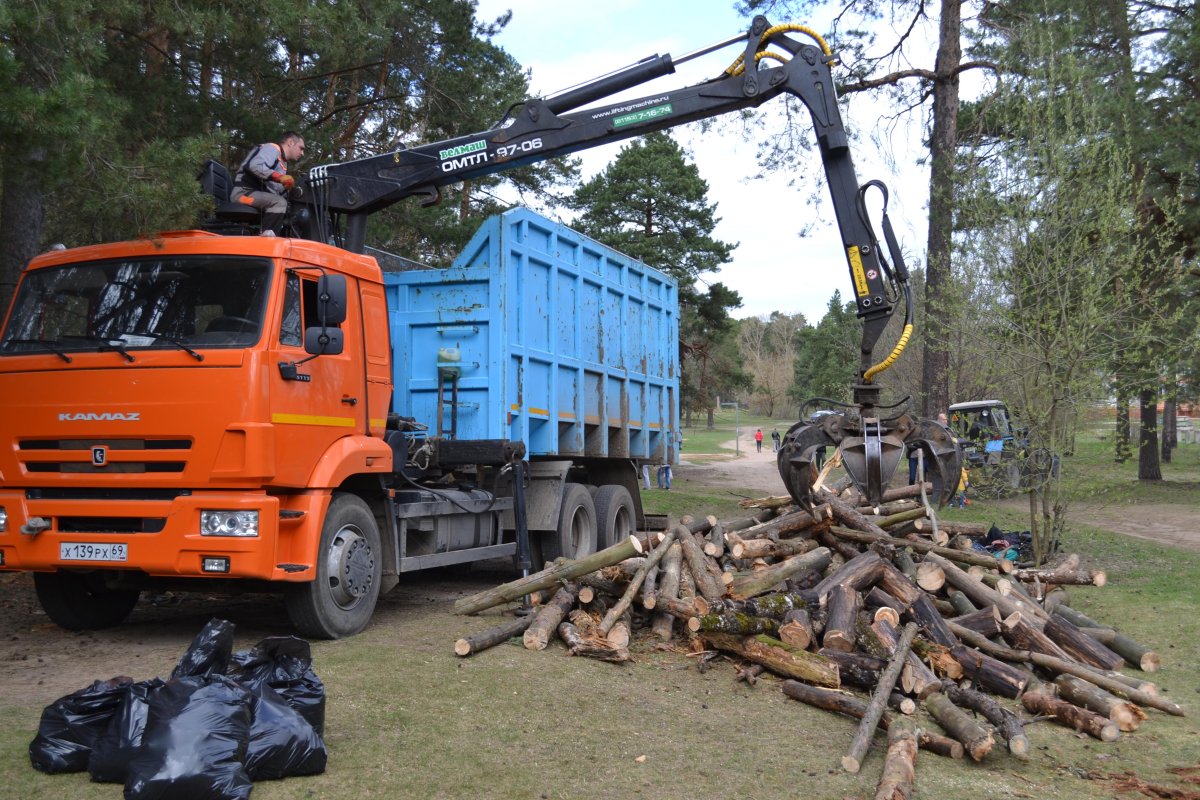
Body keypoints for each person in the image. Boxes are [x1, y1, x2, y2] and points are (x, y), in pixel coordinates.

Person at [231, 131, 306, 234]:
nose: (302, 153)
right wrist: (279, 177)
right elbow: (255, 166)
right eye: (301, 148)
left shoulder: (283, 163)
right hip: (242, 195)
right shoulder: (272, 148)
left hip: (255, 195)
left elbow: (275, 189)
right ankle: (266, 241)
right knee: (279, 203)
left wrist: (288, 189)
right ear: (290, 142)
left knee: (289, 208)